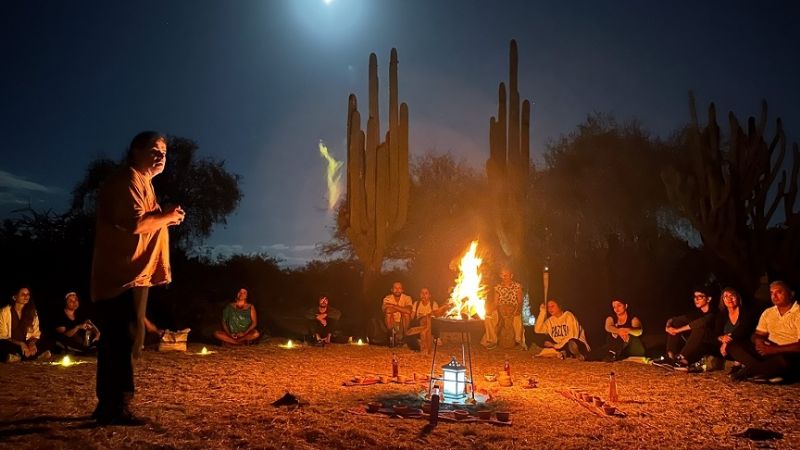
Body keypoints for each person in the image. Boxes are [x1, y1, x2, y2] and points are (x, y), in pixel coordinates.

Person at [91, 131, 185, 425]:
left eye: (164, 153)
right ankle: (116, 406)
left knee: (127, 339)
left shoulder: (143, 183)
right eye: (154, 150)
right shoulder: (127, 180)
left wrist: (166, 216)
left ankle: (111, 405)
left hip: (133, 274)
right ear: (135, 151)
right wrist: (168, 217)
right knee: (123, 339)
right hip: (122, 275)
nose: (160, 157)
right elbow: (134, 224)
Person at [728, 281, 800, 383]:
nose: (774, 296)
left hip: (788, 352)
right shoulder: (769, 312)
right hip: (768, 351)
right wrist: (759, 341)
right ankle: (768, 373)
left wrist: (774, 349)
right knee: (733, 346)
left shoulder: (798, 312)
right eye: (771, 293)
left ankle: (748, 372)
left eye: (779, 292)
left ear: (791, 294)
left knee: (785, 361)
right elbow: (758, 334)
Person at [663, 287, 717, 369]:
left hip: (713, 345)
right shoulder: (697, 313)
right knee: (677, 323)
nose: (696, 299)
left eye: (700, 297)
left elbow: (701, 323)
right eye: (695, 297)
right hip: (698, 344)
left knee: (699, 328)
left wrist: (677, 331)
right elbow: (673, 319)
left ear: (708, 299)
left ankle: (680, 358)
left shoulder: (714, 312)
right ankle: (670, 357)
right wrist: (668, 327)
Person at [0, 287, 51, 362]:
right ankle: (33, 356)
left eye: (28, 294)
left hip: (27, 344)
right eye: (23, 294)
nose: (26, 296)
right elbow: (2, 336)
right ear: (14, 297)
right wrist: (21, 343)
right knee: (2, 345)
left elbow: (36, 334)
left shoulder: (32, 312)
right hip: (12, 343)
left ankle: (18, 356)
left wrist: (32, 343)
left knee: (48, 340)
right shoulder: (4, 312)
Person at [714, 287, 755, 373]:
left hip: (743, 344)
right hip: (725, 349)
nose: (729, 298)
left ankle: (739, 364)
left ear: (738, 297)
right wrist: (722, 338)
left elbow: (743, 329)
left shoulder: (746, 312)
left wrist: (726, 341)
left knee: (737, 344)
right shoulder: (721, 315)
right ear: (723, 300)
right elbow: (716, 333)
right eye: (726, 296)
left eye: (732, 295)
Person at [482, 268, 525, 350]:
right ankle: (492, 341)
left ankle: (518, 341)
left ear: (511, 276)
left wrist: (517, 310)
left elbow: (520, 301)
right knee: (488, 318)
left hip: (513, 308)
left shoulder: (517, 286)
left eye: (506, 275)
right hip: (501, 309)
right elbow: (495, 302)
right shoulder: (498, 287)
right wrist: (489, 311)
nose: (504, 277)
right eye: (502, 275)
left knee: (517, 318)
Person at [406, 288, 449, 354]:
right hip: (419, 324)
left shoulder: (433, 304)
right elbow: (412, 317)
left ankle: (436, 338)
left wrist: (426, 316)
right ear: (420, 295)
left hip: (430, 324)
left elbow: (436, 314)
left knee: (434, 321)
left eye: (426, 293)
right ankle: (416, 342)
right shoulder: (416, 304)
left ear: (429, 295)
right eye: (422, 293)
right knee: (414, 324)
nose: (424, 295)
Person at [382, 282, 413, 346]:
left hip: (403, 322)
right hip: (392, 323)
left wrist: (393, 306)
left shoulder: (407, 298)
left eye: (399, 288)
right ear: (392, 290)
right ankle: (392, 334)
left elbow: (409, 311)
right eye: (395, 288)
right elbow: (387, 310)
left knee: (406, 314)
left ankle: (404, 335)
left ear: (402, 290)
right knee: (388, 314)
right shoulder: (387, 298)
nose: (397, 290)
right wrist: (402, 309)